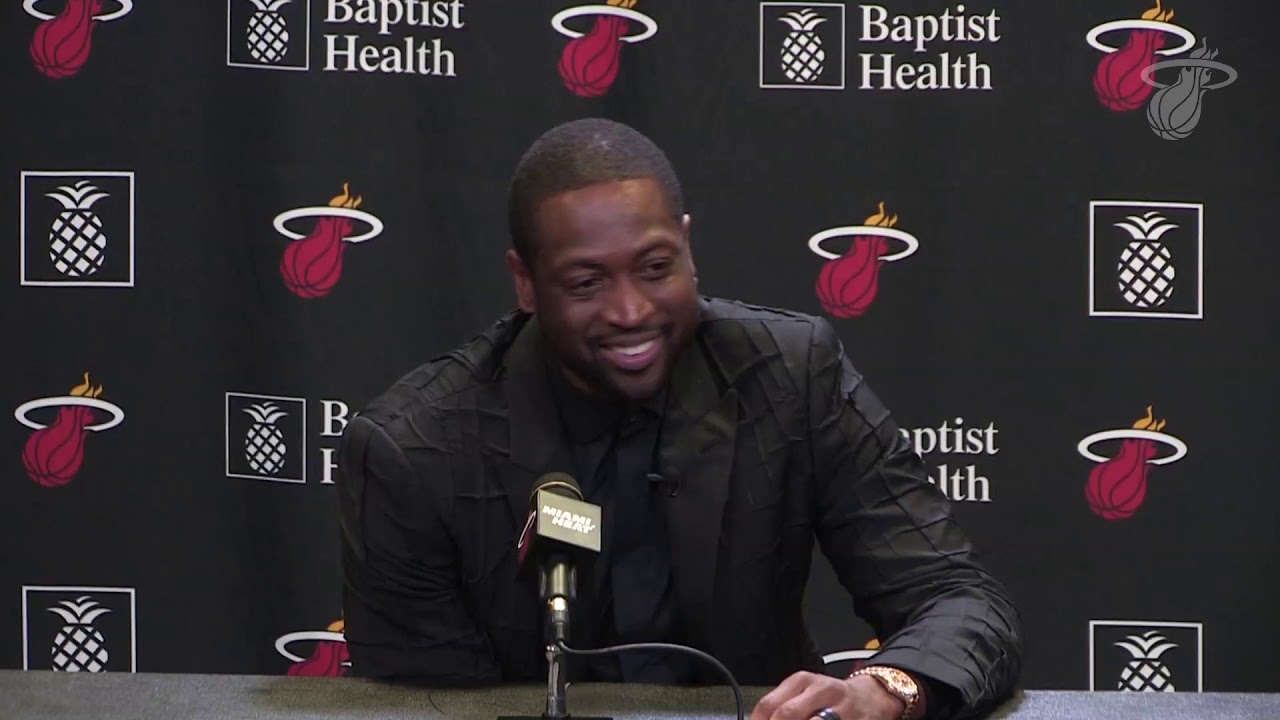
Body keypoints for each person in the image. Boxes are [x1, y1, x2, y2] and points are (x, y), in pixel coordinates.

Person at [336, 118, 1023, 720]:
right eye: (586, 283)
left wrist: (885, 690)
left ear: (687, 247)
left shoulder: (791, 375)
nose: (631, 311)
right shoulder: (414, 451)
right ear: (525, 282)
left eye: (655, 267)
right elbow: (418, 707)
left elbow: (958, 600)